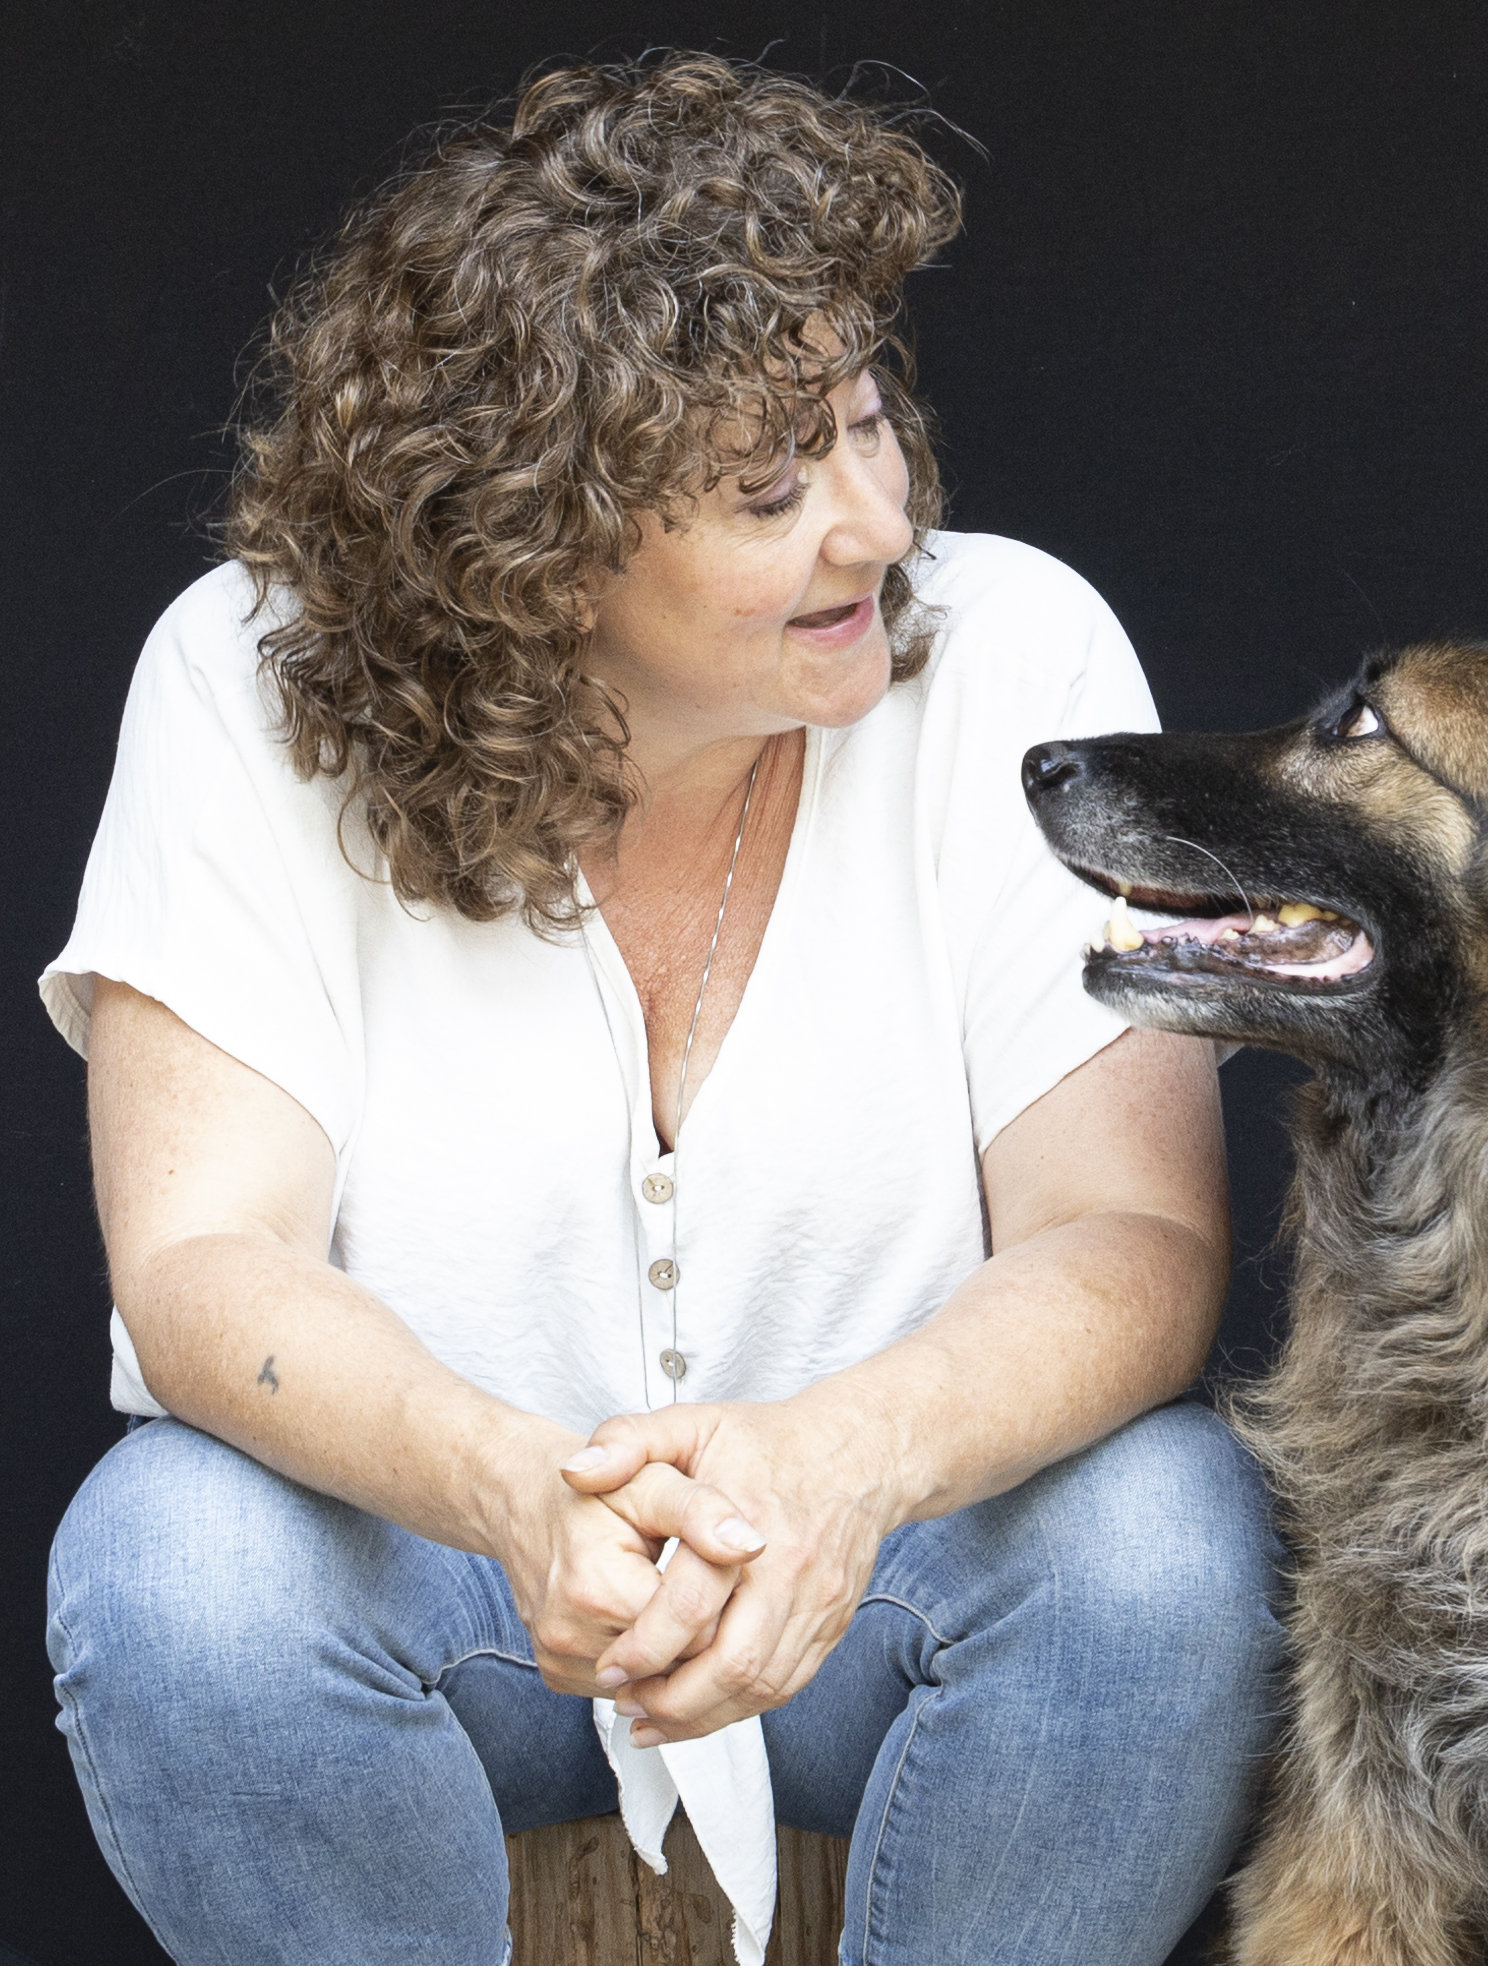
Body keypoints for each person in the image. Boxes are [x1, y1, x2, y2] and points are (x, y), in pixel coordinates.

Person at [41, 52, 1280, 1966]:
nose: (875, 520)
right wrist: (511, 1489)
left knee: (1168, 1539)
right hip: (454, 1595)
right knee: (170, 1567)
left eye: (870, 423)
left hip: (882, 1585)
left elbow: (1131, 1234)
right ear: (529, 545)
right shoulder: (235, 684)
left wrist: (840, 1464)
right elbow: (201, 1257)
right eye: (772, 485)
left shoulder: (1022, 647)